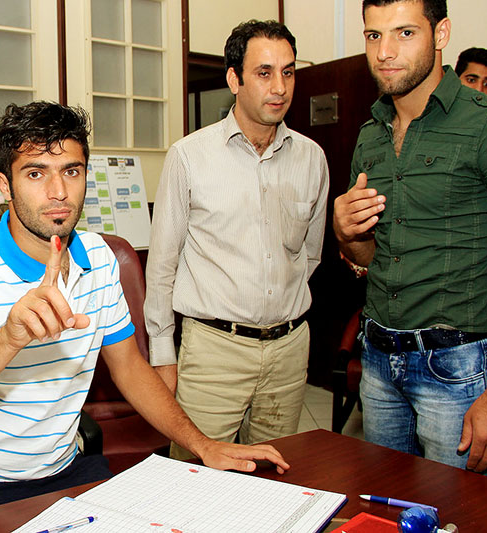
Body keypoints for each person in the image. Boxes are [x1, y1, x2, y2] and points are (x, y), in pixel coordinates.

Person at [0, 101, 289, 521]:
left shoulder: (99, 259)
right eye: (35, 174)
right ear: (5, 186)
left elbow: (129, 368)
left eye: (71, 171)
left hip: (67, 471)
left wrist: (202, 444)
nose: (58, 192)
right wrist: (6, 340)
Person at [333, 0, 487, 474]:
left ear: (441, 34)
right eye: (374, 36)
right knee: (387, 502)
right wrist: (346, 233)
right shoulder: (370, 135)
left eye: (405, 33)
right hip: (378, 360)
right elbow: (370, 257)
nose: (385, 52)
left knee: (458, 508)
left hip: (457, 364)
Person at [144, 20, 329, 460]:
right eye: (264, 73)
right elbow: (163, 265)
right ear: (234, 79)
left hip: (288, 350)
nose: (279, 87)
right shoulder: (189, 156)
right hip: (214, 351)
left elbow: (310, 255)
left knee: (275, 474)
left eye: (288, 72)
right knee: (194, 477)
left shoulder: (311, 158)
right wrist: (162, 353)